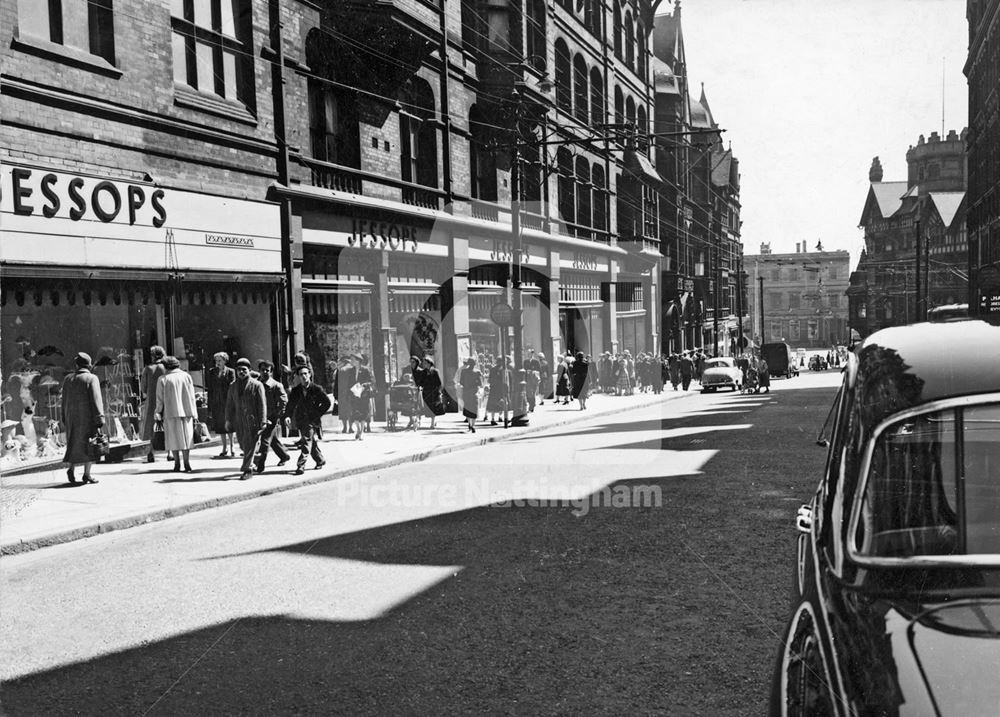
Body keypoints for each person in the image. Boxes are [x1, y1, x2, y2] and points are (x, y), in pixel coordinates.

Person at [61, 352, 104, 484]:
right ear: (89, 366)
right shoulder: (91, 378)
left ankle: (71, 469)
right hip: (87, 419)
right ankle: (87, 474)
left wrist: (64, 417)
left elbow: (64, 401)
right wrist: (100, 418)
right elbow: (96, 400)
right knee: (89, 445)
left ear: (77, 364)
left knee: (73, 443)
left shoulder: (68, 379)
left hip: (71, 419)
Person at [224, 358, 267, 481]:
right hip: (239, 421)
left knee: (249, 445)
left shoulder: (257, 385)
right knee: (244, 445)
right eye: (239, 370)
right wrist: (228, 420)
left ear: (250, 370)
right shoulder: (233, 386)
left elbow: (262, 404)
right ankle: (257, 458)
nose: (241, 372)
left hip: (253, 420)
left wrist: (263, 421)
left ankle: (247, 470)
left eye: (244, 370)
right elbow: (229, 404)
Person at [154, 355, 197, 473]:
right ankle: (187, 463)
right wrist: (194, 413)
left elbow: (159, 399)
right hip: (186, 412)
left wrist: (157, 412)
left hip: (170, 412)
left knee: (172, 439)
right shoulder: (186, 376)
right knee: (186, 439)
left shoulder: (163, 379)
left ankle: (177, 463)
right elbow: (192, 397)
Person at [286, 364, 331, 475]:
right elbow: (290, 405)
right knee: (311, 441)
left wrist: (317, 413)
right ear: (298, 377)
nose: (304, 376)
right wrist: (287, 416)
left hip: (312, 420)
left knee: (306, 441)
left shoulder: (316, 389)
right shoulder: (296, 391)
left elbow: (327, 403)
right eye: (301, 374)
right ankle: (320, 460)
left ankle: (301, 465)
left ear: (310, 374)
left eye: (306, 374)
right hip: (301, 420)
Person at [254, 360, 290, 471]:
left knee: (265, 441)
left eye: (267, 370)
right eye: (262, 370)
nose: (265, 372)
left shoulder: (276, 385)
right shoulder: (256, 384)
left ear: (271, 372)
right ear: (259, 371)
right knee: (272, 440)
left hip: (271, 418)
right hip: (259, 416)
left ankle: (260, 465)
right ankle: (284, 456)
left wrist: (278, 414)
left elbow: (284, 401)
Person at [139, 345, 166, 463]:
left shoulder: (148, 369)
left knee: (151, 426)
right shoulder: (166, 367)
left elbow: (143, 388)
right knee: (166, 423)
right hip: (165, 399)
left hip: (152, 401)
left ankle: (151, 452)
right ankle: (169, 452)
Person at [206, 351, 236, 458]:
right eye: (216, 361)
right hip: (216, 402)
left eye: (220, 360)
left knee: (229, 424)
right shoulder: (212, 371)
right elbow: (210, 388)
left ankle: (232, 446)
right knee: (220, 425)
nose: (217, 363)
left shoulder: (230, 372)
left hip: (227, 402)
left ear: (224, 361)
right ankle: (224, 447)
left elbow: (233, 387)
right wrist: (209, 404)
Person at [348, 353, 374, 440]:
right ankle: (358, 429)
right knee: (355, 412)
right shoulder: (351, 370)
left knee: (363, 413)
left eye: (353, 360)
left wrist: (363, 385)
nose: (351, 361)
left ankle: (361, 432)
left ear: (358, 361)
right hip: (354, 394)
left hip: (363, 394)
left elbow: (370, 381)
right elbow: (349, 382)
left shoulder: (365, 370)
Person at [419, 356, 445, 429]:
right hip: (426, 392)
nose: (424, 365)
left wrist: (439, 392)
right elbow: (421, 382)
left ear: (429, 363)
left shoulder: (435, 371)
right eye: (423, 363)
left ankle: (432, 423)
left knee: (433, 408)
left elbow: (439, 383)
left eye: (425, 363)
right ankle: (433, 422)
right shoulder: (423, 372)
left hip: (434, 392)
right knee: (428, 408)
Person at [458, 357, 482, 432]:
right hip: (474, 392)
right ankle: (473, 425)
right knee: (474, 409)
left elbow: (461, 382)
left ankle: (470, 424)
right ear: (475, 364)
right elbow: (480, 384)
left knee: (467, 408)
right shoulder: (477, 372)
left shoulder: (464, 371)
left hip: (466, 392)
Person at [333, 356, 356, 434]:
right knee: (351, 410)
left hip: (342, 393)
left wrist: (335, 395)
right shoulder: (353, 369)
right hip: (352, 393)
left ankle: (344, 427)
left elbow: (336, 384)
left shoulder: (340, 370)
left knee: (343, 411)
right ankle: (351, 427)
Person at [486, 355, 507, 425]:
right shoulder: (503, 369)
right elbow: (504, 380)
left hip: (493, 389)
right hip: (500, 389)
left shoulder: (492, 369)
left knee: (492, 404)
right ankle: (500, 417)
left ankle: (492, 419)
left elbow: (489, 380)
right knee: (501, 403)